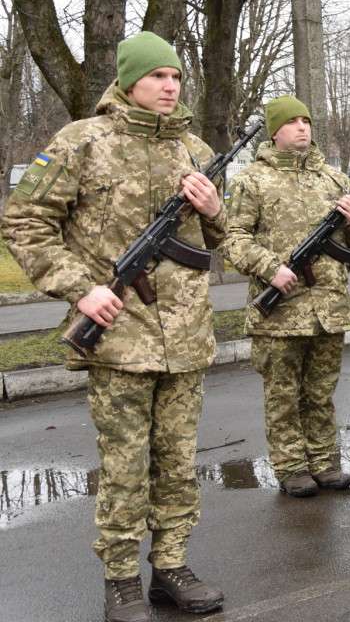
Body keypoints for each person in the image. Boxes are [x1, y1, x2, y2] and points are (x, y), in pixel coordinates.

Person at [2, 31, 226, 621]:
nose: (170, 86)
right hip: (119, 334)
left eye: (176, 76)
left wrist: (214, 211)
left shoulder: (195, 150)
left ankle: (171, 566)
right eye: (157, 76)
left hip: (186, 337)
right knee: (126, 463)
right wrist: (82, 287)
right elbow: (24, 223)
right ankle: (121, 579)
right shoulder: (82, 142)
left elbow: (220, 243)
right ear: (129, 81)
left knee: (179, 461)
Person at [222, 96, 350, 497]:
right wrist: (270, 268)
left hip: (328, 308)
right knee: (283, 395)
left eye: (307, 120)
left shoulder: (334, 180)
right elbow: (234, 239)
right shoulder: (252, 180)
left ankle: (323, 461)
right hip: (281, 310)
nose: (302, 128)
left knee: (321, 392)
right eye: (292, 122)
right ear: (274, 131)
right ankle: (290, 466)